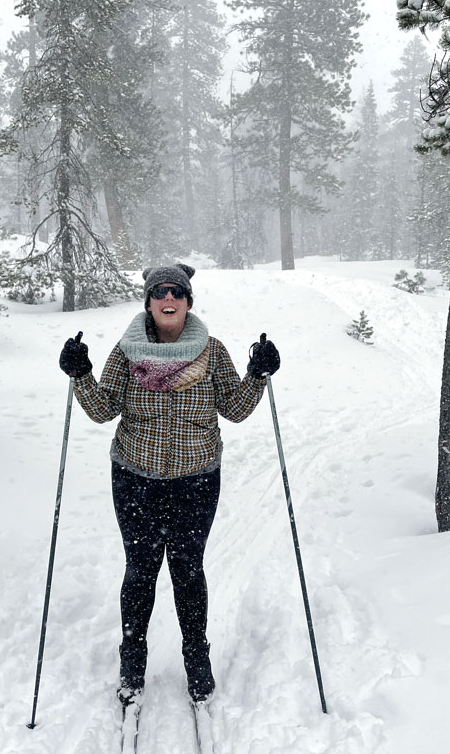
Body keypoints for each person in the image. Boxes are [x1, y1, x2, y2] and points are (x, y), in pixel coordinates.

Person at [58, 263, 280, 706]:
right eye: (160, 291)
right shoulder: (127, 352)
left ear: (188, 302)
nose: (168, 297)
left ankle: (196, 656)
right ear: (149, 302)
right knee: (140, 571)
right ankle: (132, 658)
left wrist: (257, 375)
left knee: (187, 570)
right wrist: (81, 374)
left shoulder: (211, 352)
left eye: (176, 291)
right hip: (135, 479)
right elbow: (103, 410)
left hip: (196, 481)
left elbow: (235, 409)